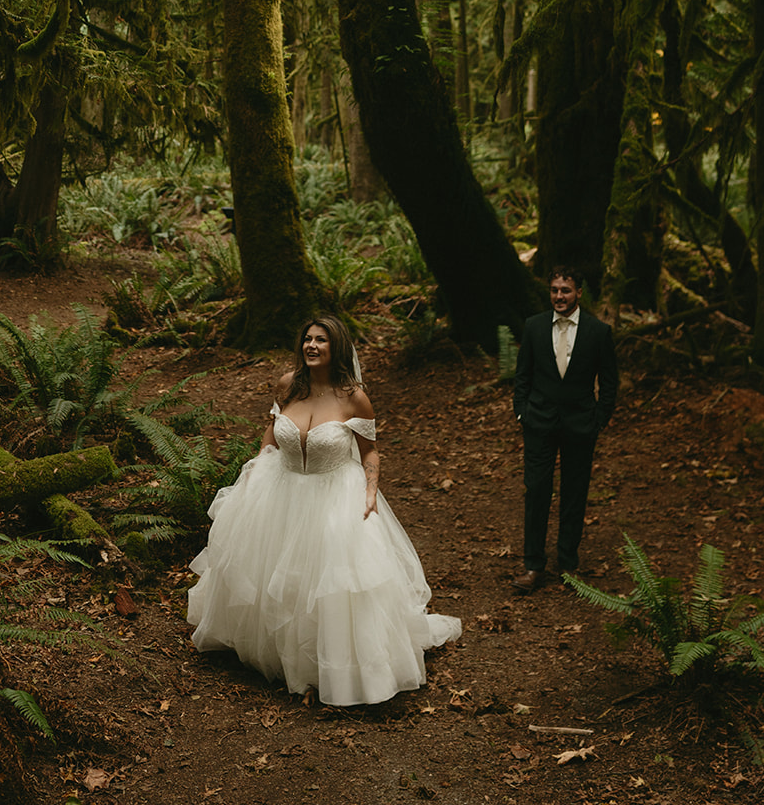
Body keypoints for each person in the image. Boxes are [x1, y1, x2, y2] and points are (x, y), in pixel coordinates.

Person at [187, 315, 461, 705]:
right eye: (308, 339)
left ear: (337, 348)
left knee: (329, 583)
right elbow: (272, 429)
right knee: (270, 574)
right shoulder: (288, 386)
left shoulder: (353, 397)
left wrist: (370, 492)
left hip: (334, 492)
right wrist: (256, 467)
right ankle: (275, 653)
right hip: (279, 489)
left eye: (322, 341)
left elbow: (369, 450)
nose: (312, 346)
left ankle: (329, 667)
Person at [512, 267, 618, 594]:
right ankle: (533, 566)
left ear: (579, 293)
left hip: (580, 425)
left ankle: (568, 564)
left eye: (566, 291)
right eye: (555, 290)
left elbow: (610, 381)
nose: (559, 296)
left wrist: (599, 418)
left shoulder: (598, 332)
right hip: (539, 423)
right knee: (537, 490)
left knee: (575, 494)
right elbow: (523, 376)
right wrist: (522, 413)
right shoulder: (534, 326)